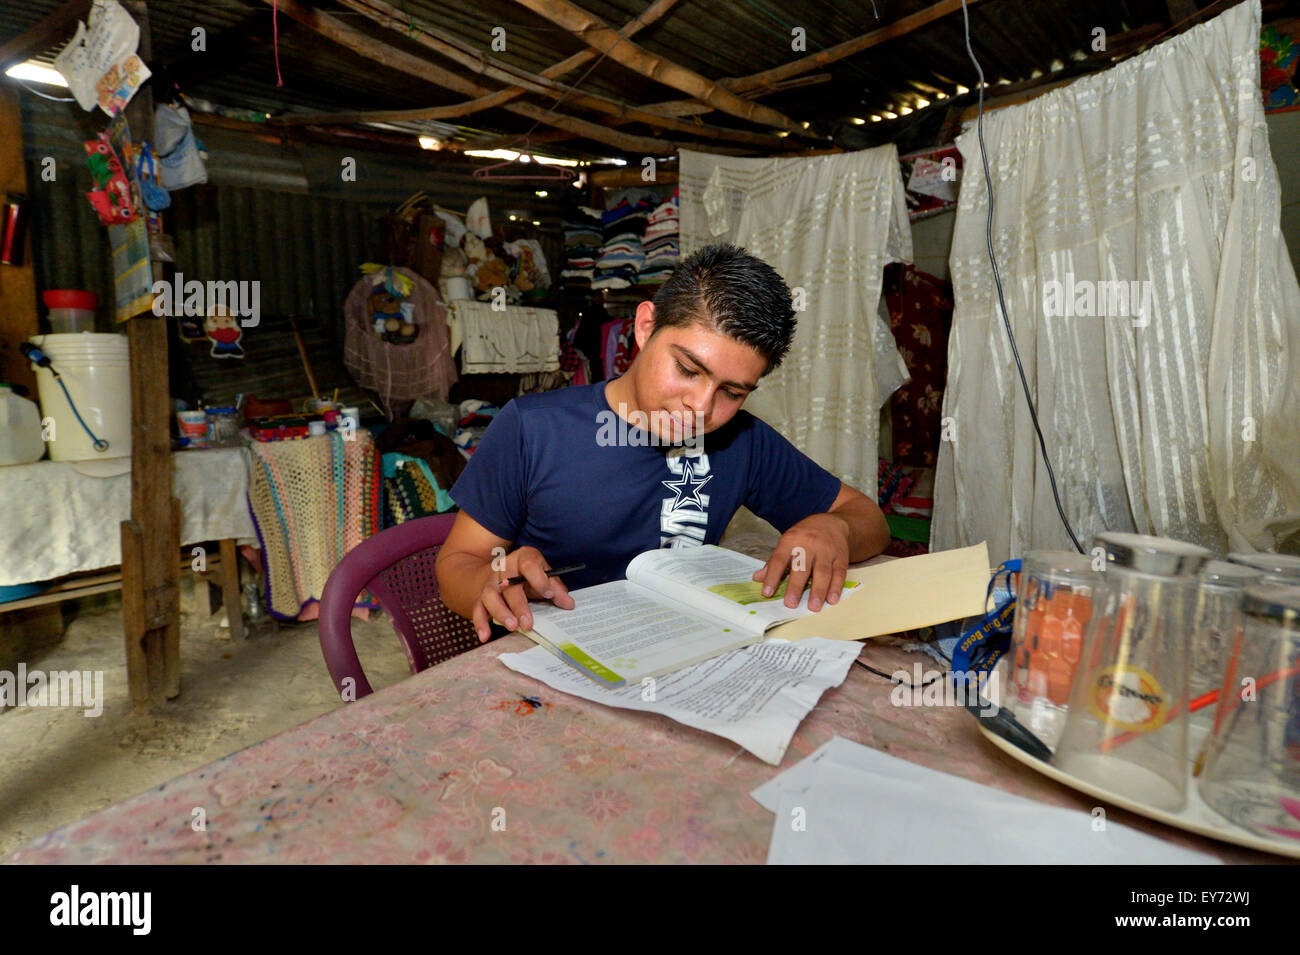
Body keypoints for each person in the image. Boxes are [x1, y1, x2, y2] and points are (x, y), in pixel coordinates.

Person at [435, 243, 889, 642]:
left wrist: (837, 528)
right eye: (689, 369)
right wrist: (490, 581)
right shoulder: (532, 430)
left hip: (680, 652)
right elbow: (456, 564)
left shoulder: (742, 441)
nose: (701, 407)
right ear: (647, 327)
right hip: (550, 657)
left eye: (731, 392)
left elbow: (869, 518)